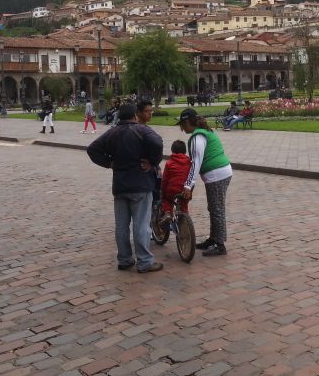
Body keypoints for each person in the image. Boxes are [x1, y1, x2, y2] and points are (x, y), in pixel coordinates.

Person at [87, 103, 164, 273]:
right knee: (141, 225)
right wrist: (152, 162)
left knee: (121, 226)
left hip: (120, 185)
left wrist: (108, 163)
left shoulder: (112, 132)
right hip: (140, 183)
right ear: (134, 116)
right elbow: (157, 142)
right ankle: (144, 261)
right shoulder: (141, 130)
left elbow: (92, 149)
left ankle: (124, 259)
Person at [177, 108, 233, 257]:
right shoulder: (202, 132)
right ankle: (213, 239)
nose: (181, 129)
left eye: (182, 124)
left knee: (217, 210)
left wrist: (188, 185)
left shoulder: (198, 137)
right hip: (219, 173)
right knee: (214, 208)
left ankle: (220, 245)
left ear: (188, 122)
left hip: (217, 174)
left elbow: (196, 163)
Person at [159, 140, 192, 223]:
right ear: (185, 151)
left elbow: (165, 179)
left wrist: (162, 190)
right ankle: (184, 217)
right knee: (184, 203)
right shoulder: (189, 163)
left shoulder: (169, 163)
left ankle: (167, 213)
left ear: (172, 151)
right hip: (185, 189)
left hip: (172, 189)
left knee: (167, 200)